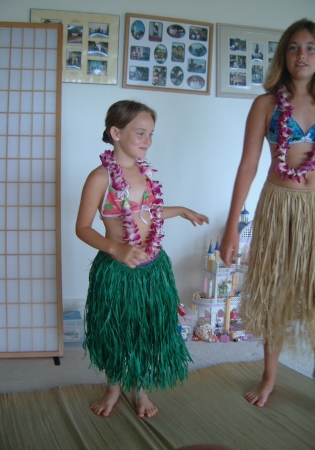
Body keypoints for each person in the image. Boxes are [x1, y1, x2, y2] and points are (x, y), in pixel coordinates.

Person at [76, 100, 209, 418]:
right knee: (118, 332)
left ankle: (141, 389)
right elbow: (82, 228)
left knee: (148, 331)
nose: (147, 140)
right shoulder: (100, 178)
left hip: (153, 269)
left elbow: (147, 213)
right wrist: (115, 248)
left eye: (151, 134)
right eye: (140, 132)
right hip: (118, 270)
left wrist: (179, 210)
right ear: (116, 133)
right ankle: (113, 387)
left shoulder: (145, 173)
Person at [220, 18, 315, 408]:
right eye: (293, 47)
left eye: (311, 47)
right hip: (277, 205)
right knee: (276, 293)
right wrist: (231, 227)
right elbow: (247, 166)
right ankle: (269, 376)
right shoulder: (266, 104)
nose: (302, 55)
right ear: (282, 55)